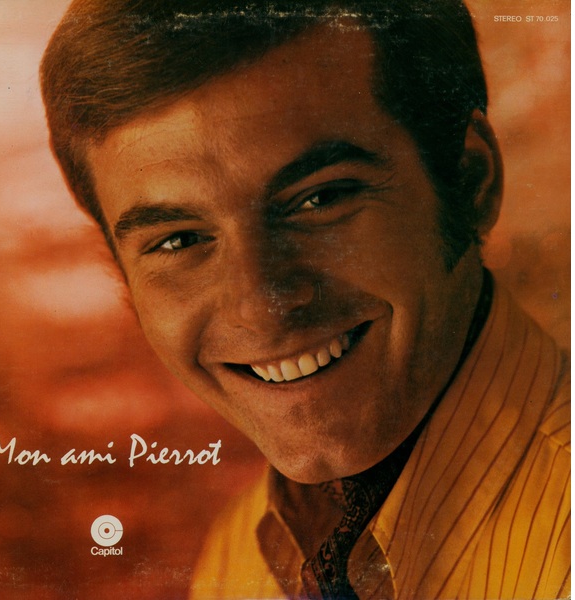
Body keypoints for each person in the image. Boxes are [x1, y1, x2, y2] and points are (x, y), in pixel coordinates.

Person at [40, 1, 570, 598]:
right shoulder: (239, 553)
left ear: (470, 181)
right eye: (179, 241)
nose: (261, 306)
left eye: (320, 199)